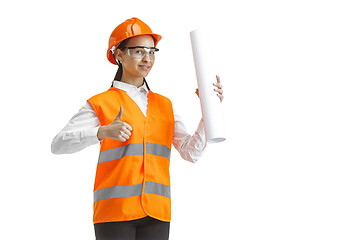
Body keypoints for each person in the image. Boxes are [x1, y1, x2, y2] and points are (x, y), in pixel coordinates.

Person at [51, 17, 224, 240]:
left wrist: (207, 110)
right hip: (115, 212)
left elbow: (191, 152)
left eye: (152, 52)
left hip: (157, 212)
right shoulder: (102, 103)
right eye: (139, 51)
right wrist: (101, 132)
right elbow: (58, 144)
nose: (148, 59)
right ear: (119, 55)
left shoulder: (164, 105)